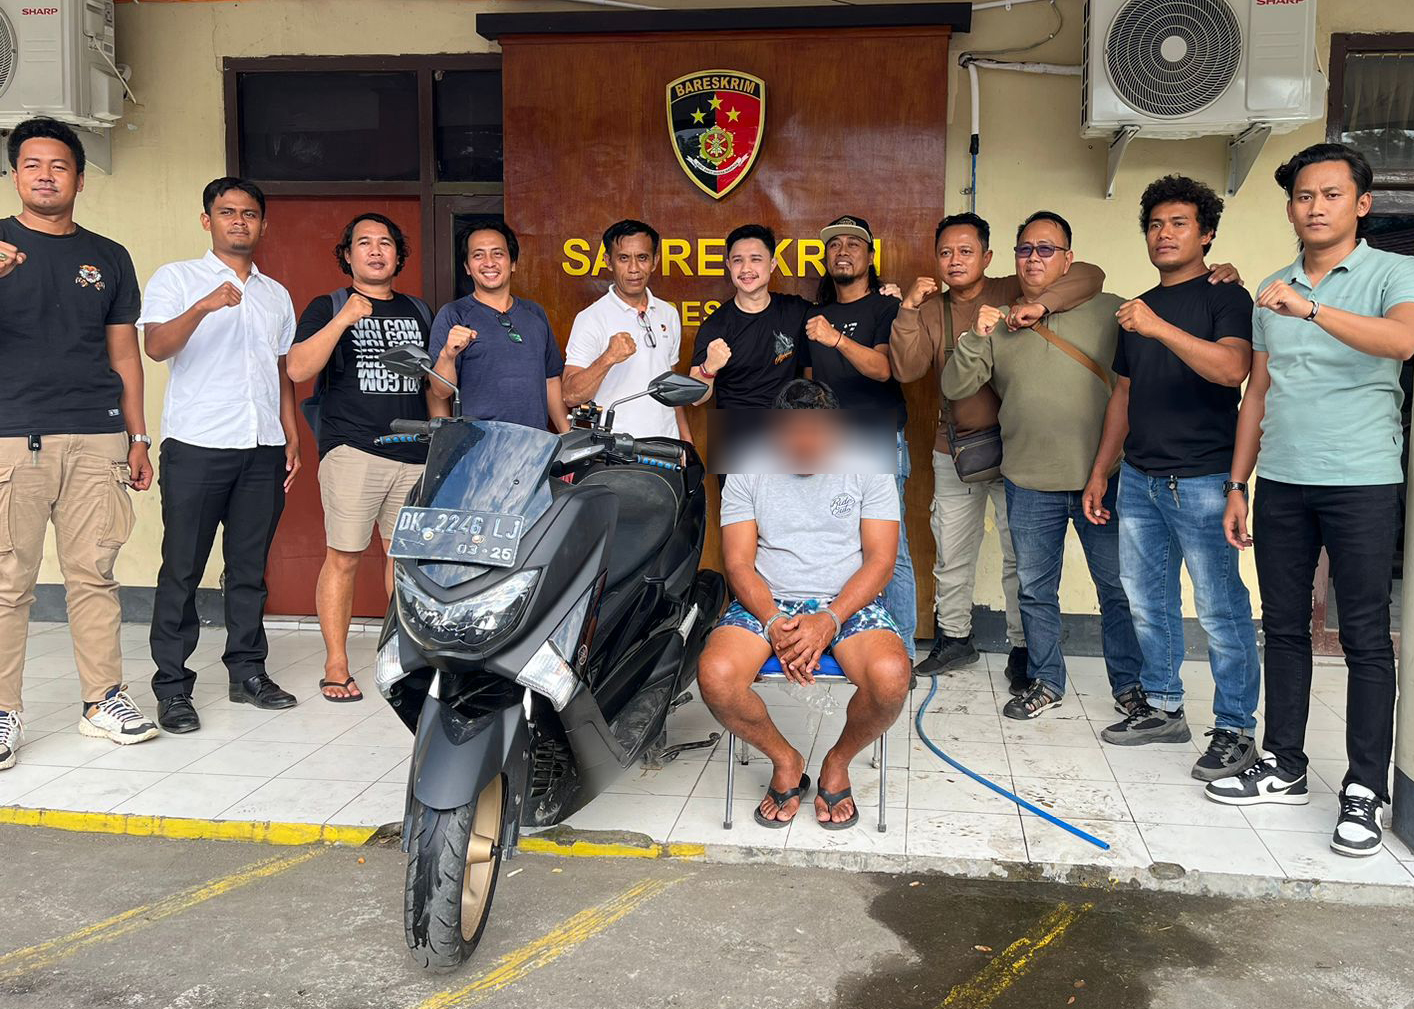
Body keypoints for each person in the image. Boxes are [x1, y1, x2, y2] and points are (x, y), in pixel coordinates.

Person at [1209, 144, 1414, 858]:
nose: (1316, 207)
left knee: (1364, 636)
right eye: (1304, 196)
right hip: (1284, 481)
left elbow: (1402, 340)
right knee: (1285, 627)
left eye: (1331, 194)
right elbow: (1257, 393)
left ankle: (1365, 788)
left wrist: (1315, 308)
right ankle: (1285, 764)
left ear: (1362, 203)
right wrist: (1238, 484)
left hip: (1362, 478)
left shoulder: (1393, 272)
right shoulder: (1274, 286)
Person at [1081, 176, 1260, 782]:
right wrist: (1102, 471)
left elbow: (1231, 369)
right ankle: (1162, 707)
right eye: (1156, 224)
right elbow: (1123, 396)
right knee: (1148, 603)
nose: (1164, 233)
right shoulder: (1136, 308)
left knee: (1220, 610)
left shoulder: (1225, 297)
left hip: (1205, 480)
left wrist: (1158, 326)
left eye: (1179, 223)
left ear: (1206, 234)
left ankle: (1236, 729)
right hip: (1140, 479)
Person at [0, 117, 158, 768]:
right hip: (13, 437)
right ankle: (3, 711)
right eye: (33, 165)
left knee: (94, 574)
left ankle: (103, 700)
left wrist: (138, 436)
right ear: (15, 175)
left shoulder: (109, 256)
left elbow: (124, 353)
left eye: (59, 165)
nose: (46, 175)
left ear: (80, 180)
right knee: (8, 581)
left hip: (98, 436)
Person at [892, 212, 1107, 690]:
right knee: (952, 551)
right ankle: (955, 638)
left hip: (1017, 451)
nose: (955, 260)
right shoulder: (932, 309)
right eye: (946, 252)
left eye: (966, 251)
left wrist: (1040, 305)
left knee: (1020, 557)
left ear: (988, 257)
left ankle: (1023, 648)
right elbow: (906, 369)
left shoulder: (1015, 286)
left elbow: (1091, 275)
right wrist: (907, 310)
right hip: (956, 450)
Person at [943, 211, 1143, 721]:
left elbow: (1102, 282)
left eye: (1046, 249)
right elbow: (955, 386)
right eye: (1025, 249)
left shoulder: (1108, 309)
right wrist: (975, 335)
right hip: (1028, 480)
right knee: (1035, 590)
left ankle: (1129, 685)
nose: (1034, 258)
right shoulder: (1000, 321)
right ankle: (1047, 680)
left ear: (1067, 258)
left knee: (1117, 589)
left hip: (1103, 478)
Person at [697, 379, 910, 830]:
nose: (807, 447)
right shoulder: (748, 461)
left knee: (892, 678)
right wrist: (773, 619)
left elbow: (881, 561)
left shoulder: (867, 457)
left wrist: (831, 618)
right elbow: (738, 563)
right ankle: (786, 760)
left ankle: (837, 761)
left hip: (846, 600)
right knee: (715, 676)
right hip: (769, 598)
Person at [142, 177, 302, 734]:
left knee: (249, 570)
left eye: (249, 213)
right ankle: (172, 688)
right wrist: (205, 306)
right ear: (207, 220)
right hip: (197, 446)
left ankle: (248, 672)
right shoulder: (178, 278)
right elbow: (155, 346)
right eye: (227, 212)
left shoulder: (275, 293)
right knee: (182, 568)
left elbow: (281, 371)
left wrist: (290, 433)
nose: (239, 221)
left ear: (263, 224)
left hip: (262, 448)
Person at [287, 213, 446, 703]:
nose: (375, 251)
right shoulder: (328, 305)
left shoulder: (418, 310)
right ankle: (336, 664)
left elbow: (433, 386)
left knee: (405, 565)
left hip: (414, 452)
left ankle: (401, 657)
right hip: (354, 450)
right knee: (344, 557)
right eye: (364, 243)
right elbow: (298, 369)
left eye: (385, 243)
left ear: (398, 255)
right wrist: (344, 320)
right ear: (348, 255)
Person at [800, 215, 915, 660]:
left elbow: (884, 369)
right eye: (834, 245)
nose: (842, 251)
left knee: (890, 551)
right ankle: (846, 642)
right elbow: (810, 380)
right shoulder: (814, 315)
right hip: (829, 441)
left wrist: (836, 340)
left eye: (853, 244)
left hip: (876, 436)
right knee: (836, 545)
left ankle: (901, 652)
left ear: (869, 256)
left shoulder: (886, 308)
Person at [428, 219, 570, 433]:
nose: (489, 262)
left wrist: (567, 435)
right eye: (478, 255)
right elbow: (441, 392)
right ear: (467, 267)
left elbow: (550, 379)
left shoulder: (535, 313)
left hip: (533, 443)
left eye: (498, 253)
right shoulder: (454, 314)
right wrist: (447, 355)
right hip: (479, 444)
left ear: (513, 263)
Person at [562, 219, 692, 441]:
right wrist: (608, 358)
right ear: (608, 262)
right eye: (623, 258)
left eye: (642, 257)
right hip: (615, 448)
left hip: (665, 445)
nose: (634, 269)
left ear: (654, 261)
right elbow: (570, 395)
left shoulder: (668, 314)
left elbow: (670, 388)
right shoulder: (591, 318)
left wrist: (686, 441)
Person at [689, 224, 810, 408]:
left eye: (755, 259)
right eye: (738, 260)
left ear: (772, 264)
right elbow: (695, 399)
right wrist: (709, 367)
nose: (746, 268)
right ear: (729, 265)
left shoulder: (796, 310)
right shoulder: (716, 325)